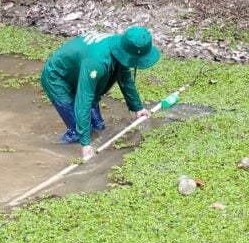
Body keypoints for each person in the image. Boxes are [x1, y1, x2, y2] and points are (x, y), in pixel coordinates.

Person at [40, 26, 161, 160]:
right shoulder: (96, 62)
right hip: (58, 76)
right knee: (76, 134)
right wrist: (85, 144)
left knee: (98, 126)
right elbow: (84, 99)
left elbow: (125, 78)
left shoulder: (122, 47)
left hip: (80, 70)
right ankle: (55, 153)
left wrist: (138, 107)